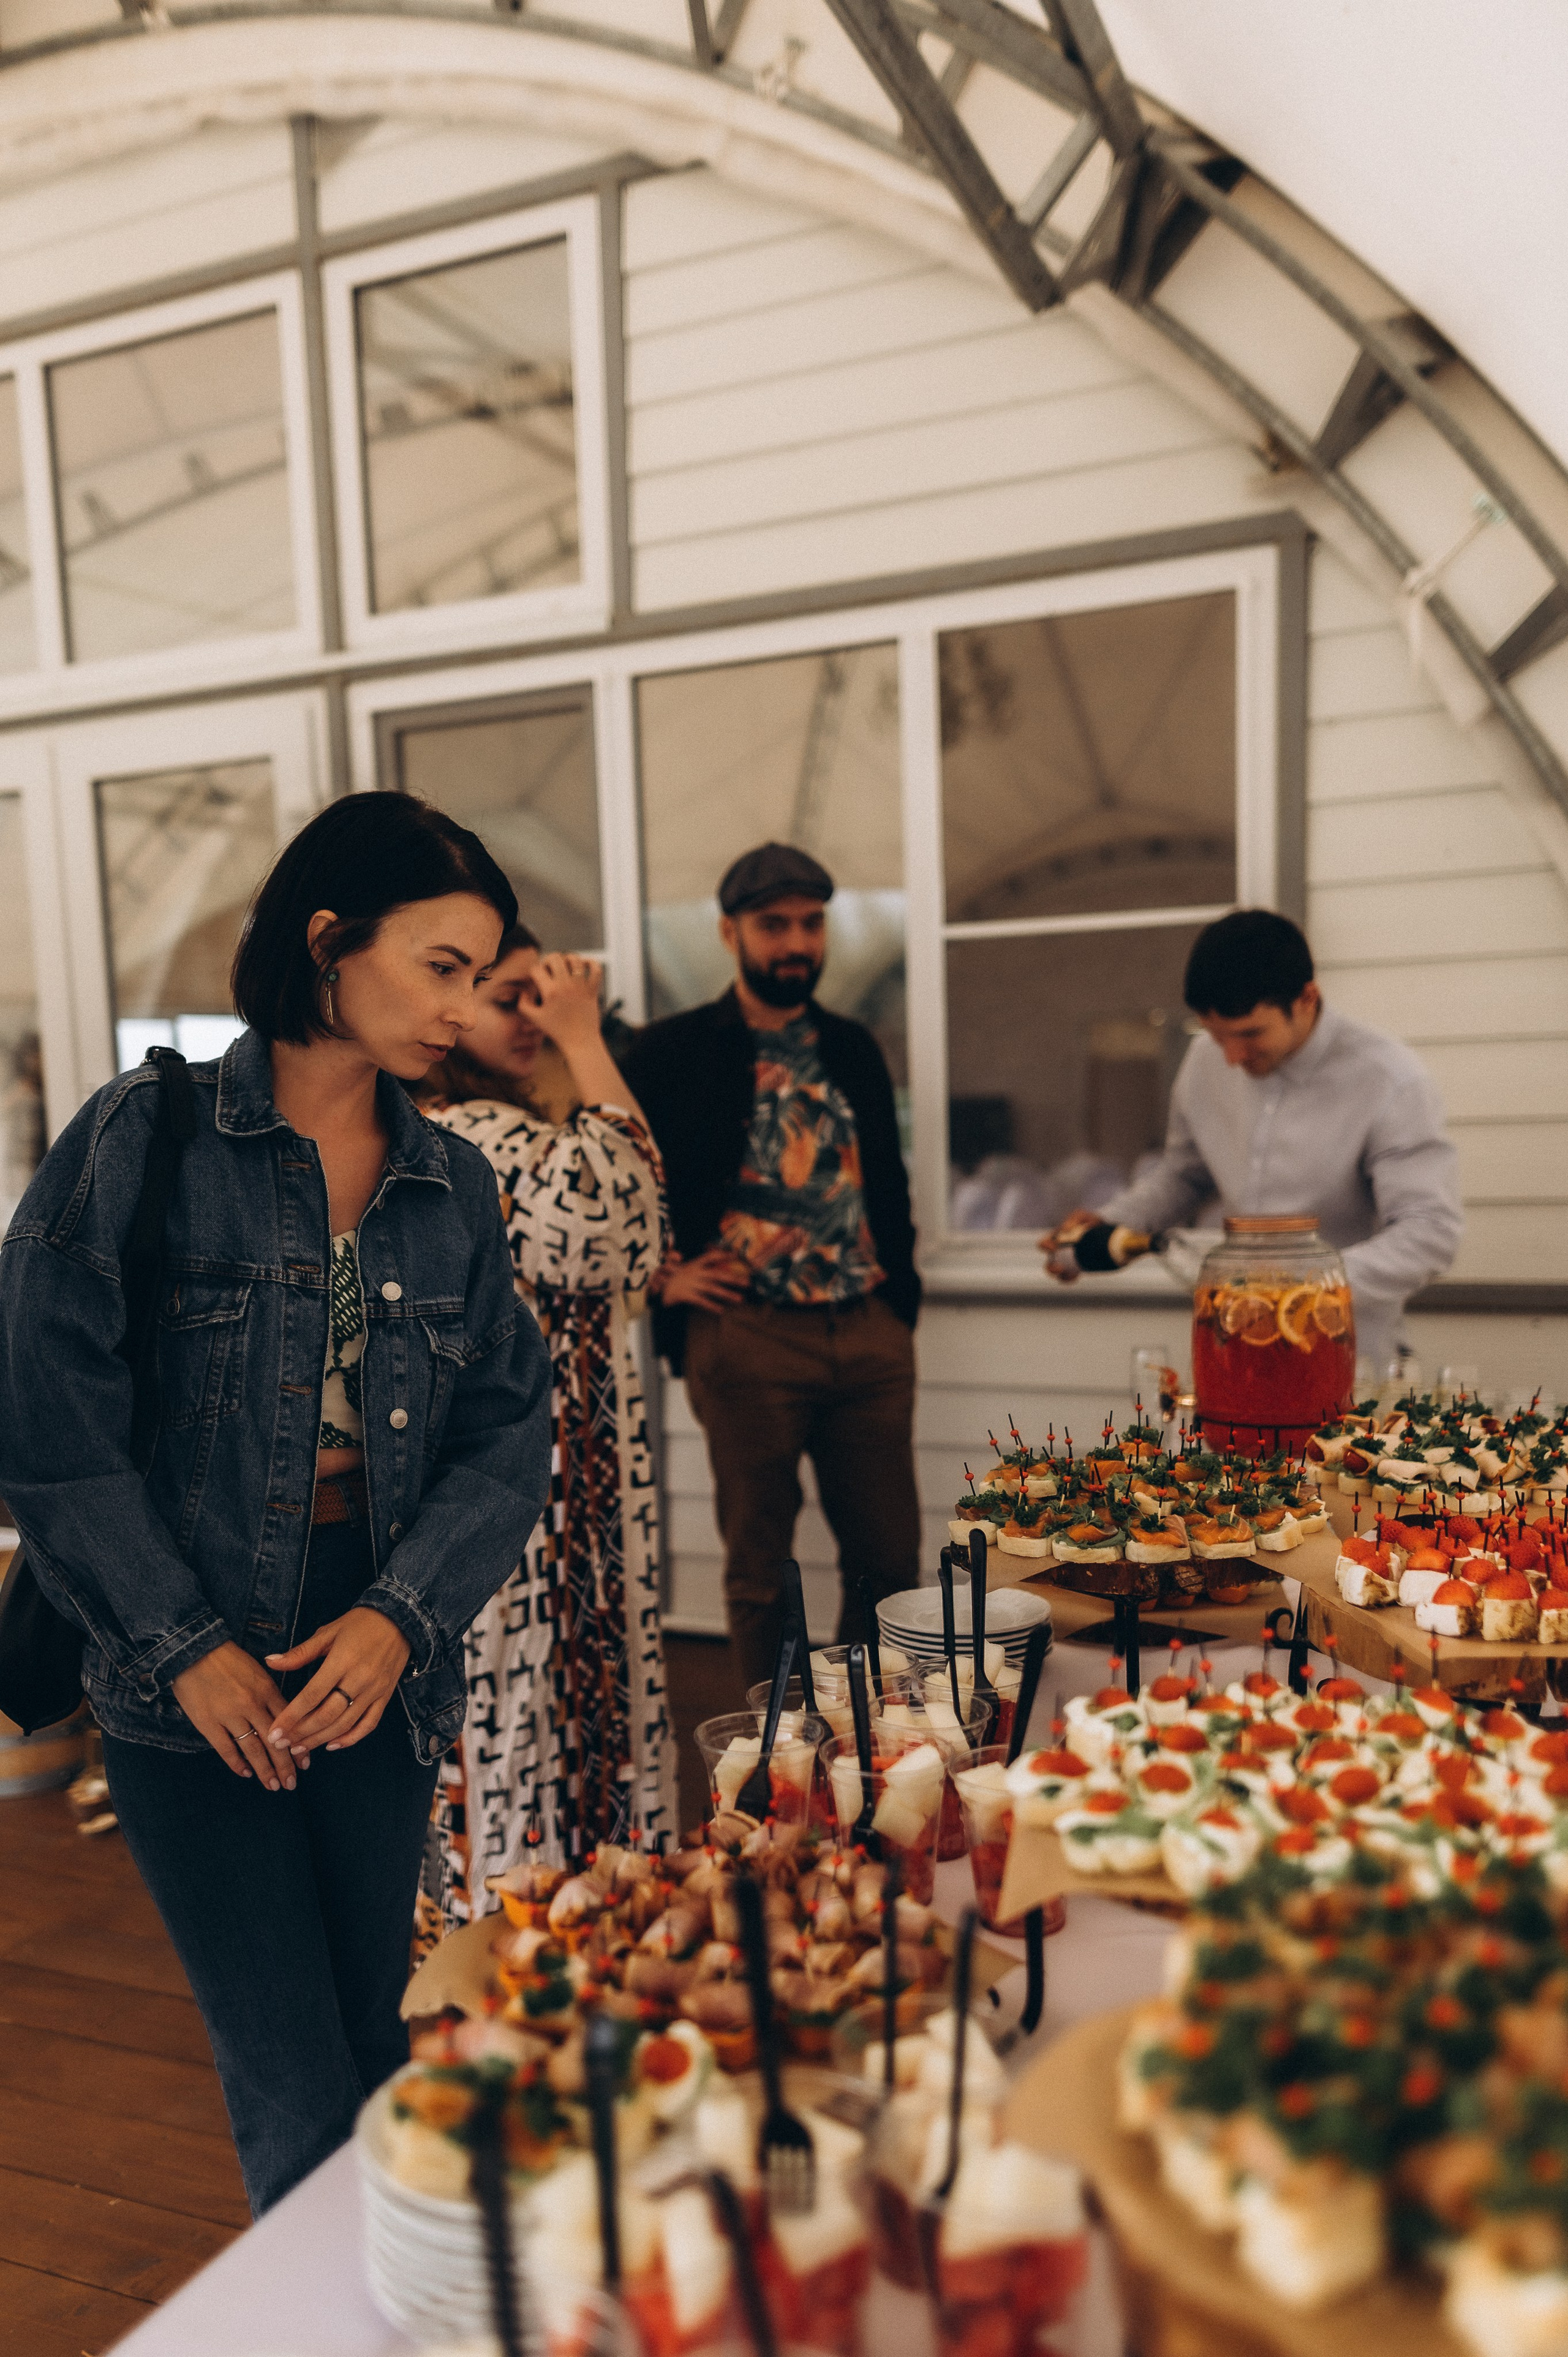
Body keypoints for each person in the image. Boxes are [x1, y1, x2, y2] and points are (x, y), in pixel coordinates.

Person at [0, 793, 551, 2217]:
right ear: (327, 942)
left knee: (377, 2032)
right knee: (291, 2066)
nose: (465, 1007)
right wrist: (181, 1646)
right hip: (186, 1660)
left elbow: (509, 1427)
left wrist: (399, 1621)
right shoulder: (145, 1134)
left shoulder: (452, 1181)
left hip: (371, 1661)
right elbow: (45, 1420)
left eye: (481, 975)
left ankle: (396, 2299)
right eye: (439, 965)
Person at [415, 925, 675, 1923]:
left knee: (563, 1717)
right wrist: (583, 1033)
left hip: (559, 1480)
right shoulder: (469, 1134)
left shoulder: (482, 1128)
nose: (532, 1015)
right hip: (530, 1492)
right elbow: (630, 1220)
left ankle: (559, 1931)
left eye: (542, 995)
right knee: (533, 1729)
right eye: (508, 996)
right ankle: (543, 1942)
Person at [623, 843, 921, 1691]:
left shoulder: (852, 1046)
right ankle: (774, 1755)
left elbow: (885, 1183)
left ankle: (868, 1744)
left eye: (810, 923)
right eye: (774, 925)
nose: (797, 942)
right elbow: (610, 1175)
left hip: (867, 1334)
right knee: (761, 1572)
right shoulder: (671, 1051)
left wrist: (900, 1304)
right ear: (730, 933)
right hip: (747, 1338)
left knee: (887, 1565)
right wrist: (659, 1278)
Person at [1041, 908, 1463, 1371]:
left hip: (1349, 1356)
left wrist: (1300, 1287)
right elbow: (1184, 1177)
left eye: (1250, 1034)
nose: (1232, 1058)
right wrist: (1108, 1223)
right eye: (1217, 1036)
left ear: (1306, 998)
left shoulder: (1391, 1079)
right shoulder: (1205, 1061)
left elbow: (1430, 1231)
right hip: (1232, 1349)